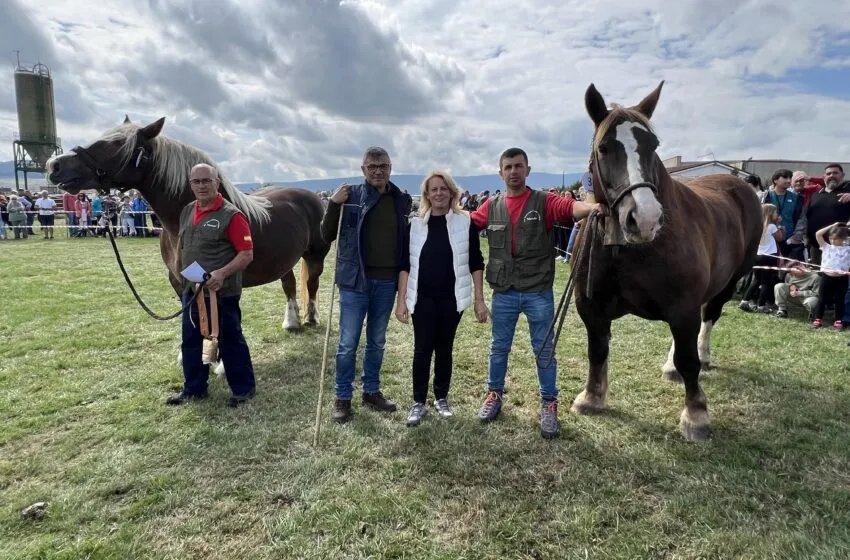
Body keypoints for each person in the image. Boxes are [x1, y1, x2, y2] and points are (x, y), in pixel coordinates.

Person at [470, 147, 601, 439]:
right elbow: (464, 223)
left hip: (537, 292)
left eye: (518, 166)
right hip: (503, 291)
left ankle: (549, 403)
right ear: (500, 172)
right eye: (508, 167)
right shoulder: (490, 206)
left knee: (544, 350)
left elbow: (572, 209)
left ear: (528, 170)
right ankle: (494, 395)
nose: (513, 171)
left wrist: (592, 208)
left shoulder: (544, 201)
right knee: (498, 348)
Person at [321, 147, 412, 423]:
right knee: (348, 343)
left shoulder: (401, 200)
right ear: (363, 169)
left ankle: (371, 391)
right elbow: (326, 235)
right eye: (372, 166)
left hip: (386, 283)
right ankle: (342, 397)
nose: (377, 171)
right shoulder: (349, 198)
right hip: (354, 281)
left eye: (382, 165)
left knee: (377, 341)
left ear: (390, 168)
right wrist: (334, 205)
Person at [395, 171, 489, 427]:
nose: (438, 193)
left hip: (451, 298)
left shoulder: (465, 222)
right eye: (433, 189)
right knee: (422, 349)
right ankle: (418, 402)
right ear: (426, 195)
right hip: (422, 298)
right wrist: (401, 299)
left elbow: (476, 262)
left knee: (445, 348)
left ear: (452, 193)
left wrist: (479, 299)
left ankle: (441, 398)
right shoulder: (414, 225)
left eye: (443, 189)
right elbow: (405, 264)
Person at [166, 163, 256, 407]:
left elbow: (246, 254)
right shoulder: (187, 211)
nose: (202, 185)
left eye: (207, 180)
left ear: (218, 183)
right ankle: (194, 388)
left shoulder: (232, 216)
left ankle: (243, 389)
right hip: (192, 291)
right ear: (191, 185)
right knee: (191, 339)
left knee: (230, 339)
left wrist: (222, 273)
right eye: (196, 181)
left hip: (221, 293)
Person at [738, 204, 784, 313]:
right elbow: (780, 238)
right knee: (766, 282)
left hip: (758, 255)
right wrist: (778, 225)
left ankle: (744, 300)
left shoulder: (757, 226)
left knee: (756, 280)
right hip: (769, 256)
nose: (777, 214)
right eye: (775, 212)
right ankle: (761, 305)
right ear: (770, 214)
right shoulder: (772, 226)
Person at [806, 164, 850, 265]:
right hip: (816, 245)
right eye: (828, 173)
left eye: (835, 173)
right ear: (824, 177)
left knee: (840, 277)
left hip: (841, 246)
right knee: (818, 276)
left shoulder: (848, 192)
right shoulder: (816, 194)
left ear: (842, 175)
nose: (831, 175)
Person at [811, 222, 850, 330]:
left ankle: (838, 320)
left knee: (839, 299)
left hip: (842, 278)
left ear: (843, 239)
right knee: (822, 298)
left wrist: (846, 228)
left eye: (835, 239)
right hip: (827, 277)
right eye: (831, 238)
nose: (832, 241)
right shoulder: (826, 247)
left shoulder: (848, 249)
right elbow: (818, 234)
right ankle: (818, 319)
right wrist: (833, 225)